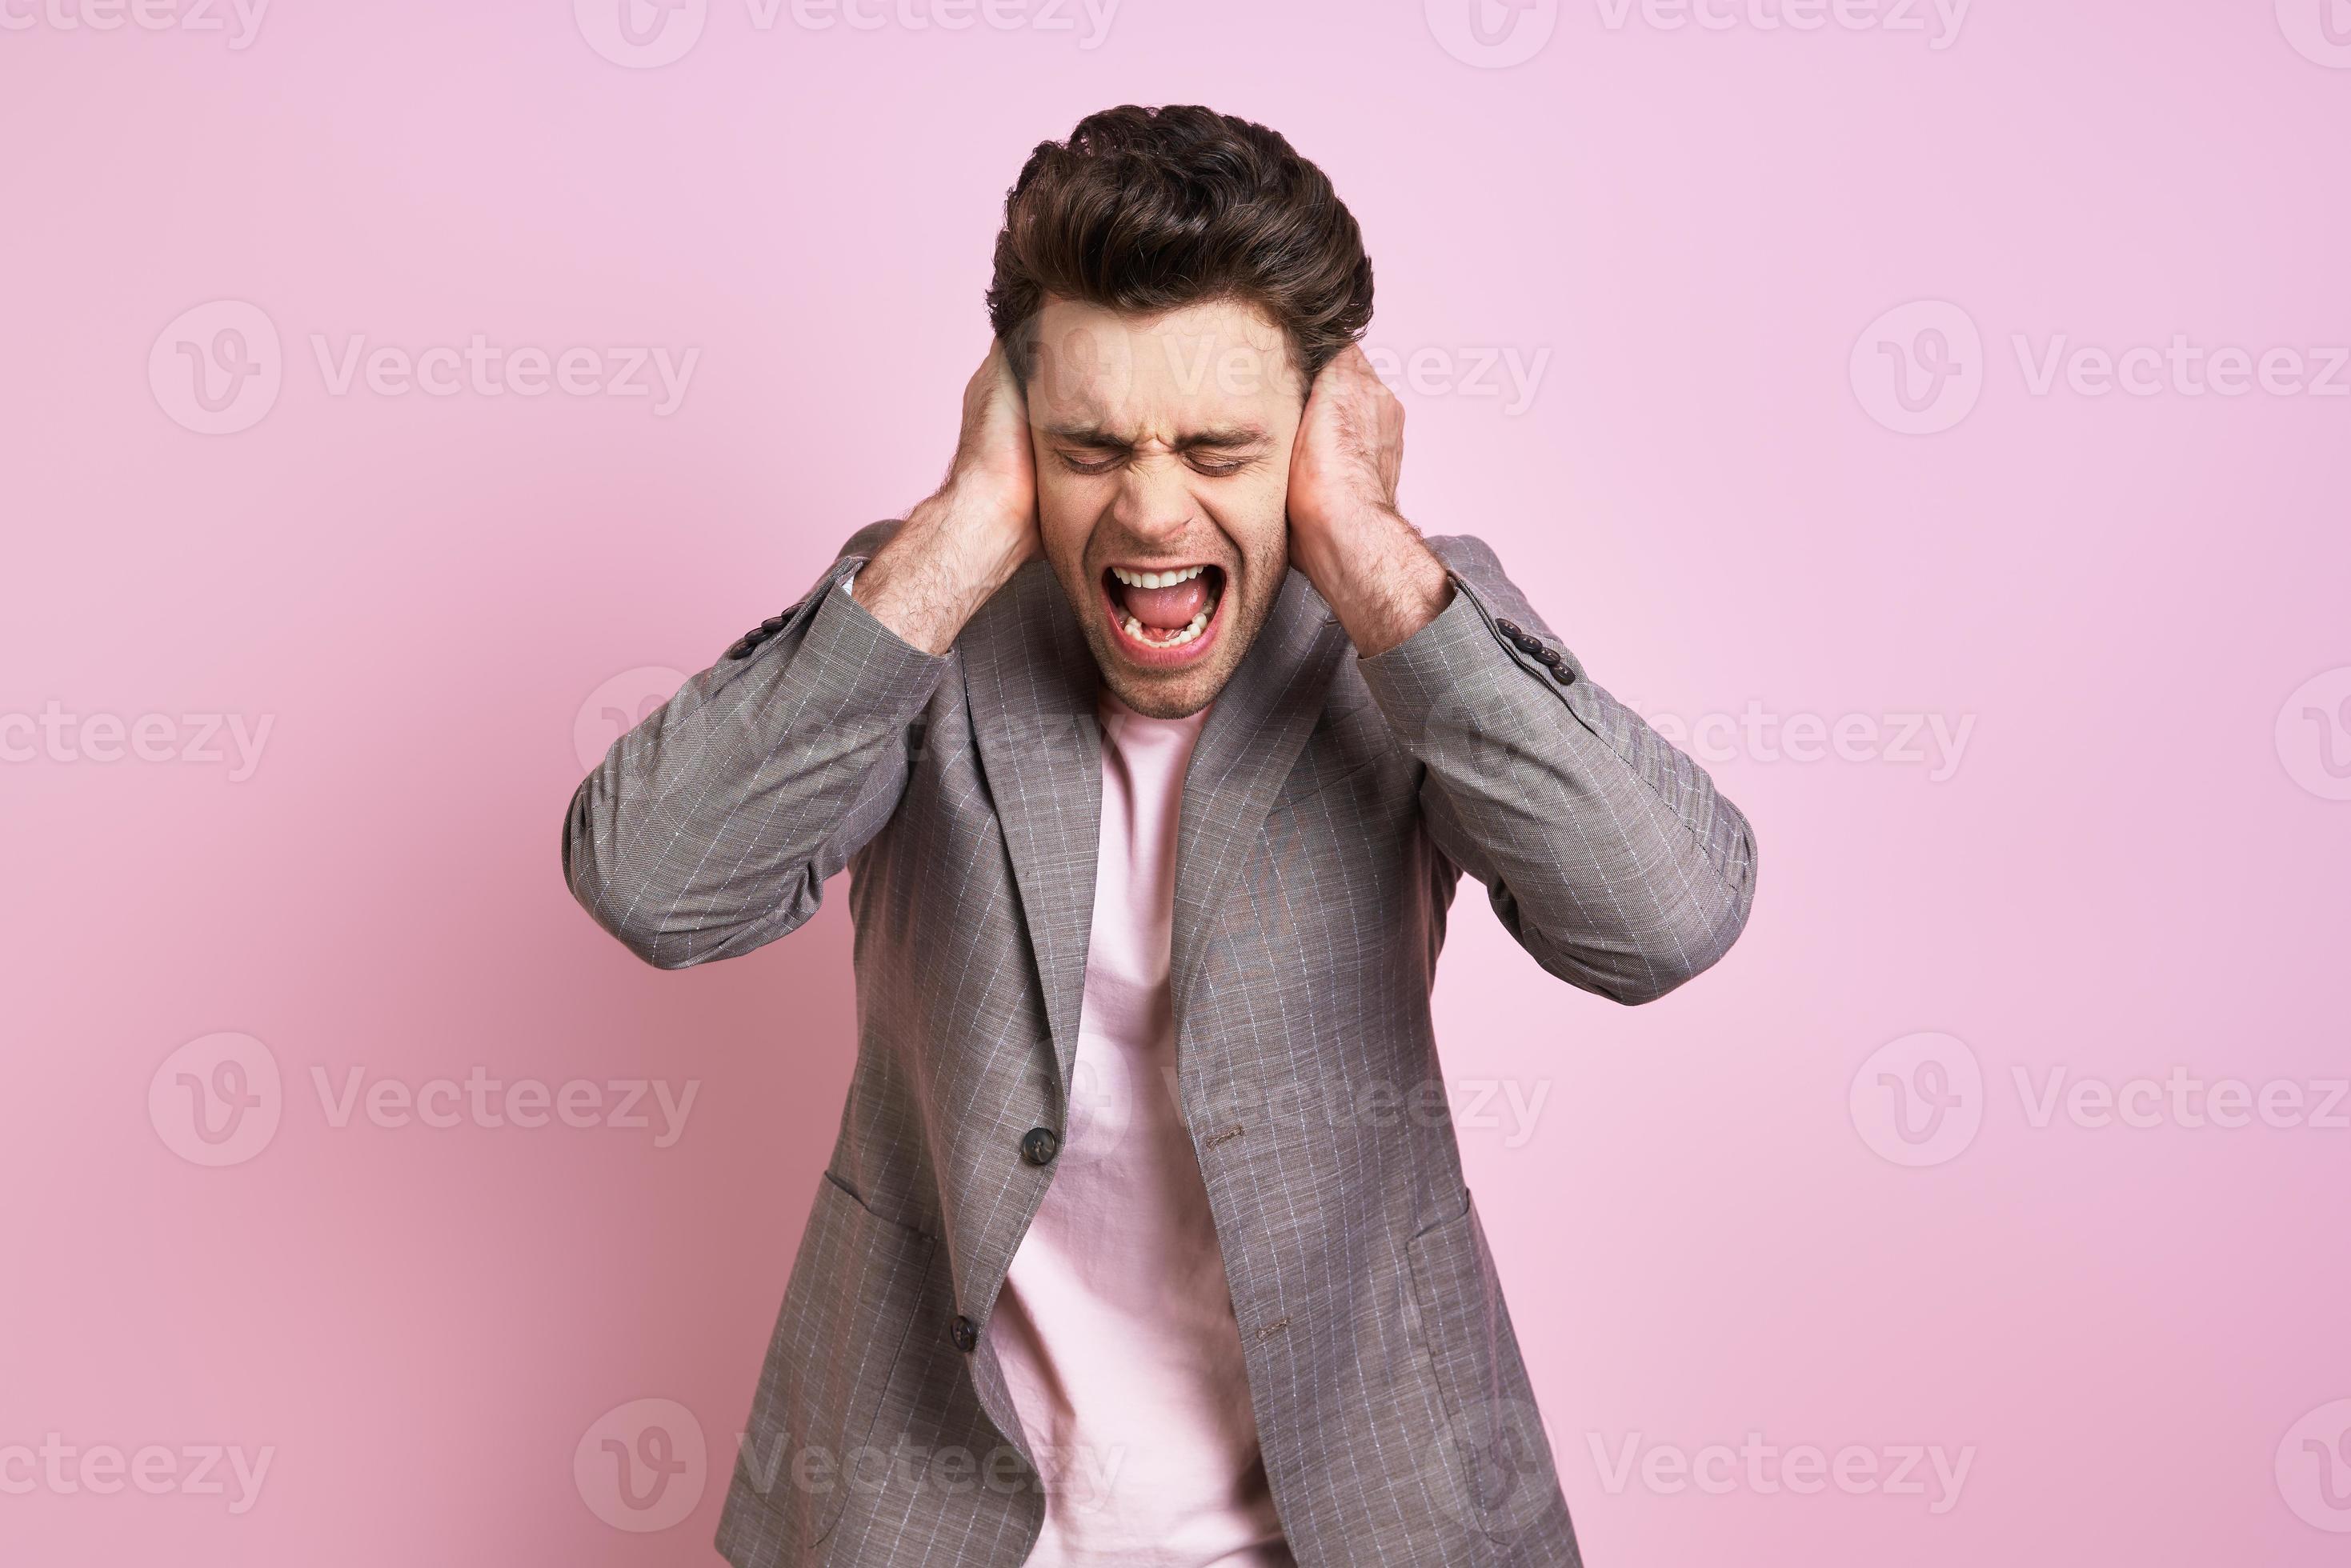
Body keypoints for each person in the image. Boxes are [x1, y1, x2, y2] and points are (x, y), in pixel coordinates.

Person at [564, 102, 1757, 1568]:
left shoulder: (1406, 633)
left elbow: (1662, 921)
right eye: (1087, 445)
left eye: (1215, 445)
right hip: (931, 1522)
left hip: (1355, 1518)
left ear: (1318, 433)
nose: (1147, 507)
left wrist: (1368, 542)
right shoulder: (924, 620)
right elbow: (655, 884)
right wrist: (958, 523)